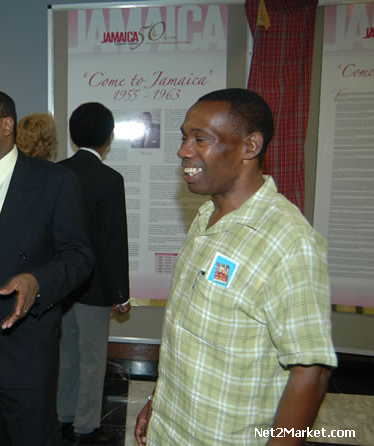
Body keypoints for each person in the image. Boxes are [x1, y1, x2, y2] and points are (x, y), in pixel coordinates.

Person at [134, 88, 337, 445]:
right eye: (184, 137)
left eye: (201, 138)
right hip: (171, 429)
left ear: (250, 146)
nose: (183, 150)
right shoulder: (205, 219)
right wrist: (158, 401)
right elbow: (189, 335)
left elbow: (311, 372)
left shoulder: (288, 242)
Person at [0, 89, 93, 446]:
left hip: (25, 350)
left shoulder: (54, 182)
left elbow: (79, 258)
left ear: (7, 125)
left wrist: (38, 281)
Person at [57, 102, 130, 444]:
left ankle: (62, 414)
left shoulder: (55, 173)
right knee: (92, 357)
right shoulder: (110, 180)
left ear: (72, 136)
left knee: (65, 354)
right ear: (109, 138)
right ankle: (86, 425)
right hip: (97, 286)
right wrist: (121, 293)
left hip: (60, 285)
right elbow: (113, 240)